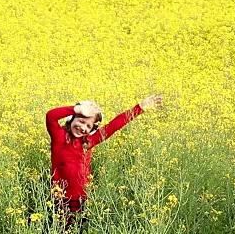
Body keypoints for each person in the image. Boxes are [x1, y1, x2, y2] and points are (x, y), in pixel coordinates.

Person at [46, 95, 163, 232]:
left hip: (83, 197)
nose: (83, 127)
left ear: (92, 129)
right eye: (81, 120)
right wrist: (77, 109)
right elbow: (51, 116)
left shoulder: (88, 142)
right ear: (71, 118)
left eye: (88, 126)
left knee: (79, 228)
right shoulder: (58, 136)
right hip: (60, 196)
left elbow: (113, 126)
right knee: (61, 229)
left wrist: (140, 108)